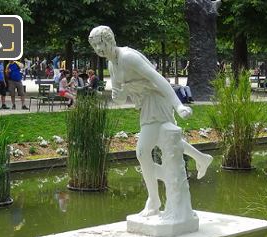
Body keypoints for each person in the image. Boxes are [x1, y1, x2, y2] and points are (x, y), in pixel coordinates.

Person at [89, 26, 212, 217]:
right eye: (95, 45)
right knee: (164, 139)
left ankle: (154, 200)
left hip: (156, 100)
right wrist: (119, 95)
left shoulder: (129, 57)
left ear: (110, 40)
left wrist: (179, 106)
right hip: (144, 104)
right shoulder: (112, 65)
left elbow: (159, 79)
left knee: (142, 151)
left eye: (101, 43)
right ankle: (201, 159)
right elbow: (120, 99)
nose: (98, 48)